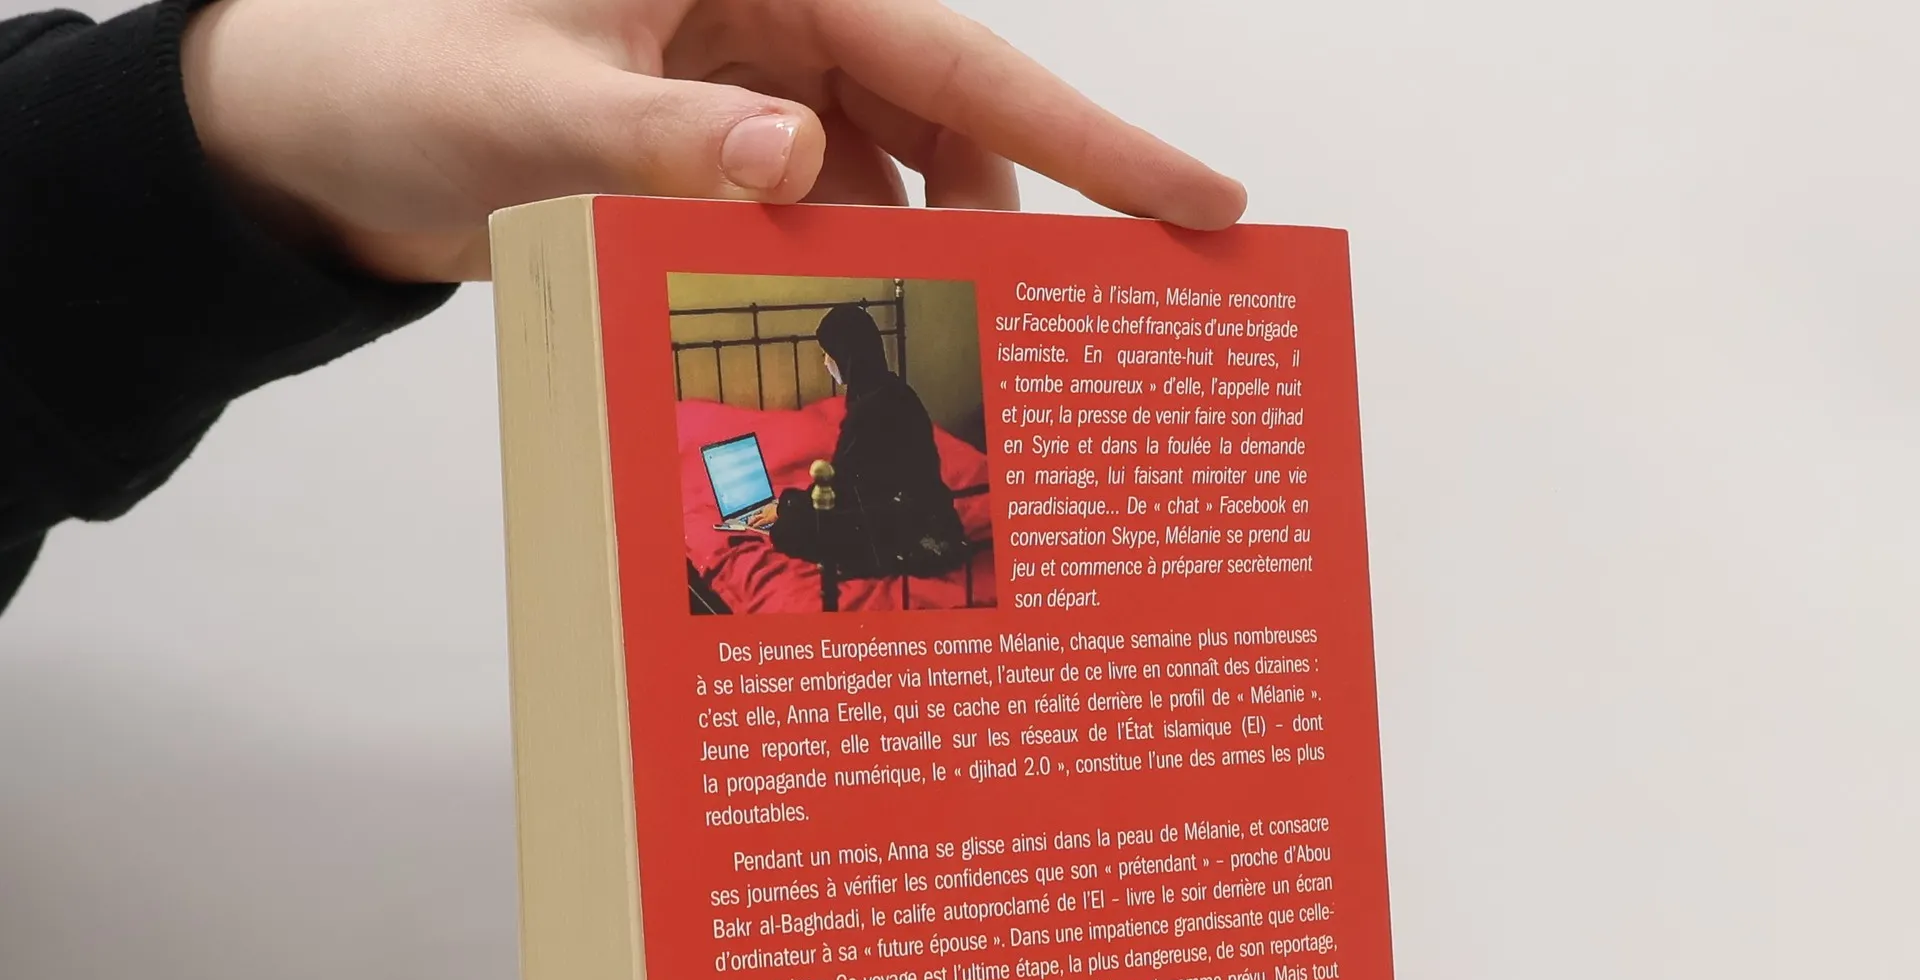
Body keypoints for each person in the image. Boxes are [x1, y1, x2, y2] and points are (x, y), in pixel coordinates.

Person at [0, 0, 1245, 617]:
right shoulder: (880, 407)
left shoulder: (871, 414)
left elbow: (882, 504)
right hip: (896, 529)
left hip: (884, 538)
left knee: (792, 529)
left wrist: (812, 508)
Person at [772, 303, 965, 579]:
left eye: (828, 354)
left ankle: (870, 561)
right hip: (930, 512)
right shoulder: (896, 390)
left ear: (846, 355)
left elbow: (838, 485)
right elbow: (865, 481)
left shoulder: (869, 409)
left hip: (901, 522)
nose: (825, 363)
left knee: (786, 530)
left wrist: (786, 506)